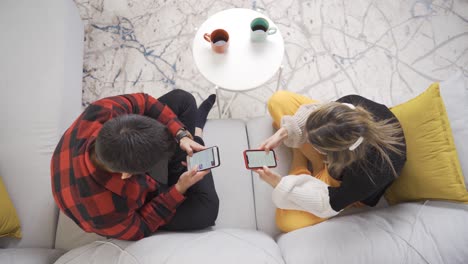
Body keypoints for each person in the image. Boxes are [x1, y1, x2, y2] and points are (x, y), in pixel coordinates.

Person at [51, 89, 219, 240]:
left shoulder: (102, 111)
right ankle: (197, 136)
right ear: (127, 174)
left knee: (183, 99)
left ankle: (190, 143)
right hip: (131, 200)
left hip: (126, 164)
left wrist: (181, 135)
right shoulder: (106, 213)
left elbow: (144, 101)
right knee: (207, 211)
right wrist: (179, 188)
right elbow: (143, 225)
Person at [254, 91, 406, 232]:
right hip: (338, 159)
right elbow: (316, 112)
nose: (306, 141)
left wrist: (280, 184)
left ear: (334, 152)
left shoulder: (372, 173)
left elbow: (327, 203)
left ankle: (299, 161)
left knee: (286, 222)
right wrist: (286, 132)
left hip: (343, 185)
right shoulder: (350, 106)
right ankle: (314, 163)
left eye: (312, 143)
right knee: (279, 100)